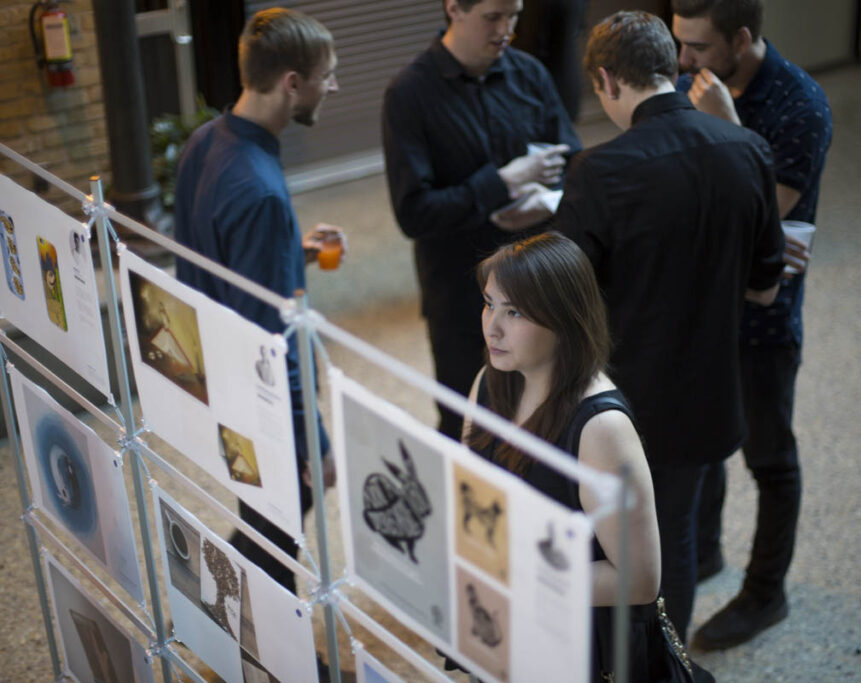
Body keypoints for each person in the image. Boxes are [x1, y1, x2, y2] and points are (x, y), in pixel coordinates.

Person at [555, 10, 785, 636]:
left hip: (622, 408)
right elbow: (765, 288)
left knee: (619, 552)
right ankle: (669, 665)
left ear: (606, 79)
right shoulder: (748, 150)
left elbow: (561, 306)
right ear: (673, 66)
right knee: (674, 541)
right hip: (710, 396)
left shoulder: (598, 173)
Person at [466, 232, 708, 682]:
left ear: (564, 320)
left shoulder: (601, 428)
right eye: (489, 303)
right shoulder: (491, 379)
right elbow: (472, 489)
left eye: (514, 311)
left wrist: (516, 576)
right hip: (508, 611)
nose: (491, 327)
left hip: (585, 636)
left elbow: (638, 579)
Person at [671, 0, 833, 650]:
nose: (683, 64)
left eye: (698, 48)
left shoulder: (802, 106)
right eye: (680, 45)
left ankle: (767, 592)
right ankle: (704, 553)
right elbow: (678, 185)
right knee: (702, 442)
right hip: (701, 304)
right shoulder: (689, 82)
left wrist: (729, 129)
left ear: (741, 38)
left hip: (764, 322)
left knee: (770, 458)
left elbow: (763, 220)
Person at [174, 7, 340, 595]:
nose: (334, 85)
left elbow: (207, 253)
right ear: (292, 83)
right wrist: (314, 442)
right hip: (257, 393)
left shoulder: (203, 142)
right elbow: (273, 341)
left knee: (261, 522)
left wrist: (287, 249)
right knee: (278, 529)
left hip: (215, 368)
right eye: (327, 74)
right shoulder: (262, 191)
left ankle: (208, 614)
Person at [382, 0, 581, 442]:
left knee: (545, 422)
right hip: (460, 298)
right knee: (469, 426)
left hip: (535, 289)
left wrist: (546, 200)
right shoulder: (409, 94)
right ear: (454, 8)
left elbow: (572, 162)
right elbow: (414, 213)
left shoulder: (529, 73)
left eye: (514, 15)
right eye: (493, 17)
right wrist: (501, 182)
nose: (507, 29)